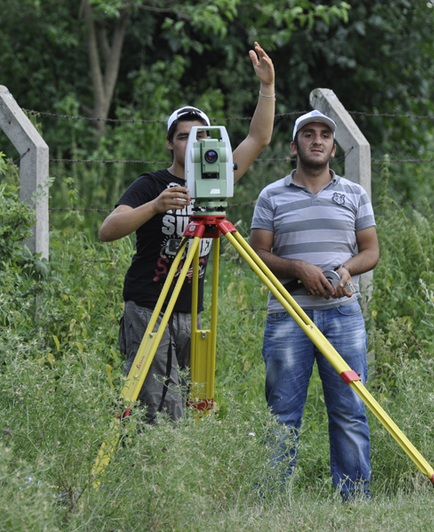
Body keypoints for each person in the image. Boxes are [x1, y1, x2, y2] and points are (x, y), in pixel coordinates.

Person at [99, 42, 275, 424]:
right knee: (161, 410)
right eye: (182, 136)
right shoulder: (152, 184)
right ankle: (153, 461)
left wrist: (267, 87)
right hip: (150, 307)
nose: (192, 142)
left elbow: (258, 139)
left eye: (199, 136)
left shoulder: (218, 179)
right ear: (170, 142)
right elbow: (107, 230)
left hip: (190, 312)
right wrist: (155, 206)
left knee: (187, 404)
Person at [249, 110, 380, 500]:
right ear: (294, 147)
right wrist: (297, 269)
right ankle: (273, 501)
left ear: (334, 148)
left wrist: (345, 270)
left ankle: (354, 500)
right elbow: (257, 254)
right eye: (308, 134)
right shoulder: (271, 195)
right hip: (288, 315)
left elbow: (371, 251)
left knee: (350, 409)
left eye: (324, 135)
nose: (317, 140)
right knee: (282, 414)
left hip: (343, 315)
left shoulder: (354, 194)